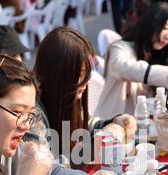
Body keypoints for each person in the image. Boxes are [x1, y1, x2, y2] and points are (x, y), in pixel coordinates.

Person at [33, 26, 136, 160]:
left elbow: (86, 122)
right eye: (81, 74)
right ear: (59, 74)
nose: (87, 82)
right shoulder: (33, 115)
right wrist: (93, 147)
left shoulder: (67, 98)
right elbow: (47, 167)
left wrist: (114, 121)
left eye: (87, 74)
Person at [96, 2, 168, 119]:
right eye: (165, 28)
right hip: (109, 127)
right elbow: (123, 67)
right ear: (150, 24)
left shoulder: (159, 55)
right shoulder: (120, 48)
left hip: (142, 128)